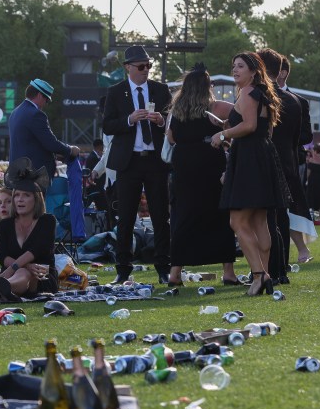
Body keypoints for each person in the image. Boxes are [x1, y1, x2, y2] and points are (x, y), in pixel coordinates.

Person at [212, 51, 288, 296]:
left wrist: (222, 135)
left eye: (240, 66)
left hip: (249, 159)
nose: (235, 70)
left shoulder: (248, 92)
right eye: (233, 66)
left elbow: (249, 125)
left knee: (237, 221)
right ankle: (264, 275)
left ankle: (259, 274)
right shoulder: (263, 93)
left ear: (254, 71)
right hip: (261, 156)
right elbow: (263, 130)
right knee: (259, 222)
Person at [102, 46, 172, 285]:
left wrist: (161, 120)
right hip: (129, 161)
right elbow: (107, 125)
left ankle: (163, 266)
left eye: (148, 66)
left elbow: (172, 122)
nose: (145, 70)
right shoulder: (116, 92)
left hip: (154, 159)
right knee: (126, 216)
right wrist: (129, 120)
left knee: (161, 214)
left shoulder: (161, 90)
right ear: (128, 68)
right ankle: (123, 268)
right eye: (141, 66)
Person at [164, 64, 238, 286]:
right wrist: (223, 131)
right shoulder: (216, 108)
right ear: (207, 87)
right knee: (219, 217)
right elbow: (240, 115)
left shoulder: (177, 110)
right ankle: (228, 272)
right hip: (209, 162)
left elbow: (170, 138)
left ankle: (175, 273)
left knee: (183, 218)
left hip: (184, 165)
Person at [268, 53, 315, 267]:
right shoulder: (259, 96)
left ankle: (300, 249)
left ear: (283, 73)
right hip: (268, 157)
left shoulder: (298, 101)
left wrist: (287, 139)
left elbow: (306, 135)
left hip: (289, 160)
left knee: (291, 207)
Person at [0, 158, 58, 300]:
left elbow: (36, 250)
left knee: (24, 273)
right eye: (16, 195)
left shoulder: (47, 221)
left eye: (26, 195)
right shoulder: (5, 225)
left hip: (41, 277)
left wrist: (15, 267)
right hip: (13, 273)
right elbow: (3, 257)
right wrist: (24, 266)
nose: (19, 199)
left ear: (36, 199)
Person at [8, 78, 80, 182]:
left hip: (18, 173)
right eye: (47, 99)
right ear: (39, 95)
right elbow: (50, 143)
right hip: (33, 175)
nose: (46, 104)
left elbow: (31, 143)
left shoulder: (15, 112)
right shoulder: (36, 114)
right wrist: (70, 150)